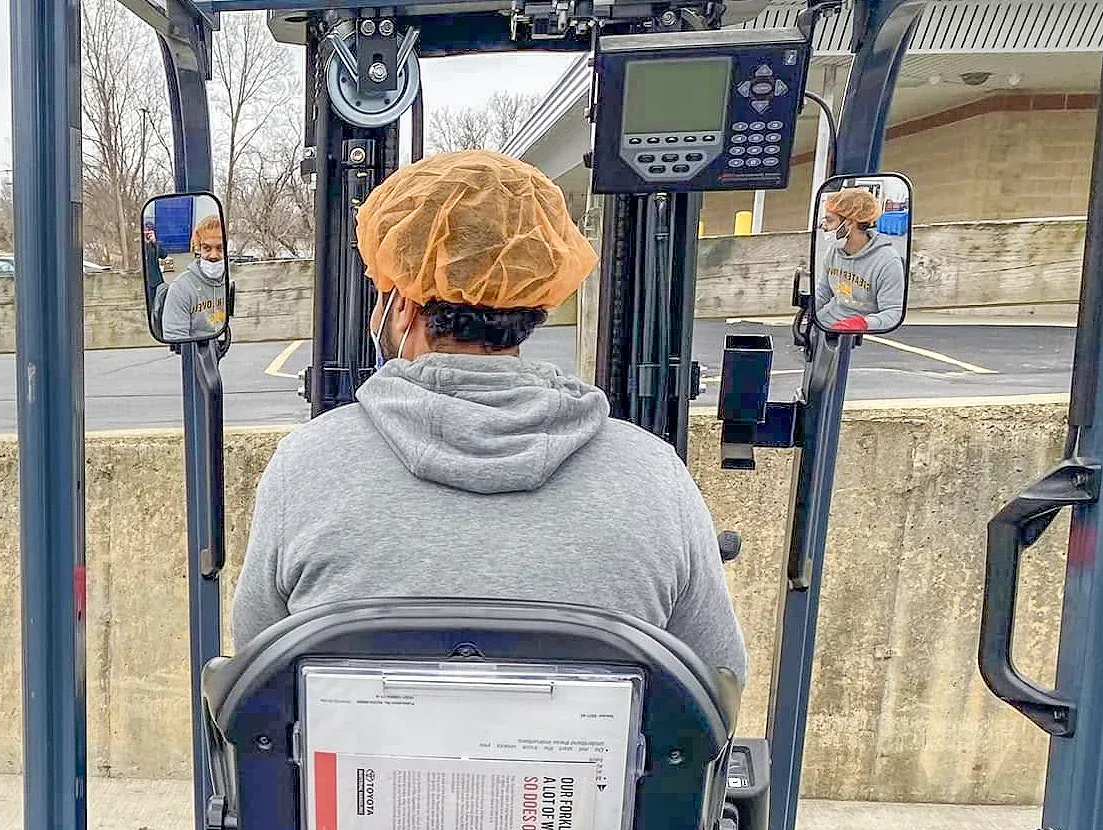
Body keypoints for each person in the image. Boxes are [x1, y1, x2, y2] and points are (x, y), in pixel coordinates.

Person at [230, 149, 747, 704]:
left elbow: (256, 666)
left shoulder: (306, 466)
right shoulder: (653, 475)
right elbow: (717, 682)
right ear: (533, 299)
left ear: (402, 306)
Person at [815, 187, 906, 334]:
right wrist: (807, 311)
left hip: (864, 335)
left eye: (830, 221)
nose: (824, 227)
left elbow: (893, 313)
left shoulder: (887, 261)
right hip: (827, 324)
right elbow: (823, 291)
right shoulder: (834, 250)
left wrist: (862, 324)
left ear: (849, 224)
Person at [157, 212, 228, 342]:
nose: (214, 255)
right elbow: (176, 337)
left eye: (220, 248)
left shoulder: (234, 283)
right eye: (207, 248)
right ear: (198, 249)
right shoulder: (181, 288)